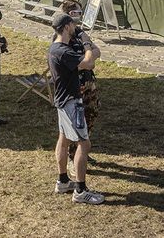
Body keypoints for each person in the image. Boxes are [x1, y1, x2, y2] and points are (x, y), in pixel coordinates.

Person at [50, 12, 103, 205]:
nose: (76, 27)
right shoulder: (63, 51)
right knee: (84, 143)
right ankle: (80, 190)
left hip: (63, 101)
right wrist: (87, 44)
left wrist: (88, 51)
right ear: (66, 27)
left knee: (63, 139)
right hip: (72, 102)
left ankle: (63, 181)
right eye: (73, 24)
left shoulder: (57, 48)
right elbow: (89, 62)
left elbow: (89, 61)